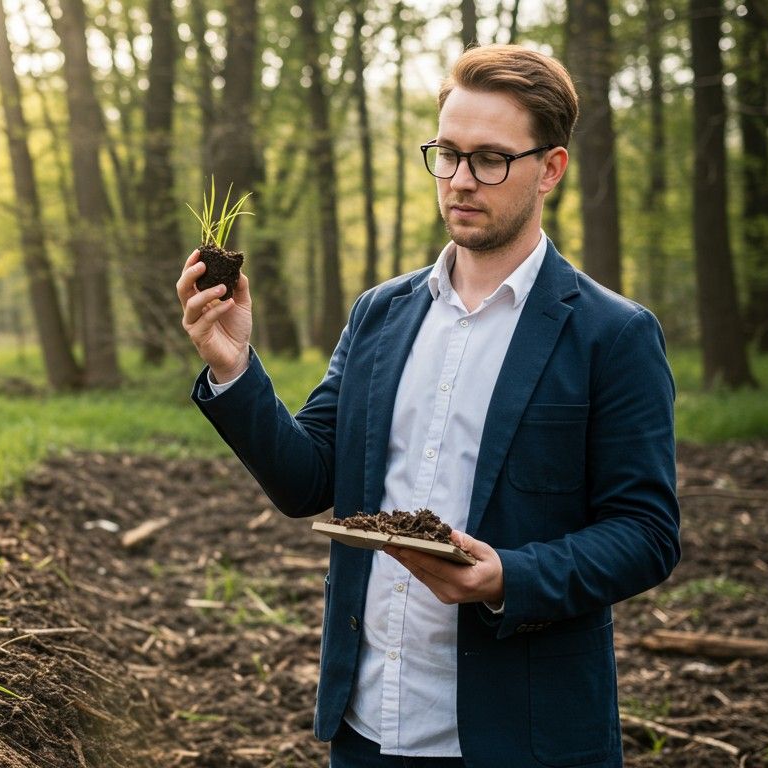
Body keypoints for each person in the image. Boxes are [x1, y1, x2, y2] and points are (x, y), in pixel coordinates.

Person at [176, 44, 680, 767]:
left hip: (526, 739)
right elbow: (308, 482)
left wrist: (508, 574)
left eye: (490, 159)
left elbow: (647, 533)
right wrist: (233, 367)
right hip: (367, 726)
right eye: (447, 154)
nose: (461, 181)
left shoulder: (613, 335)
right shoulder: (381, 314)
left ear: (552, 169)